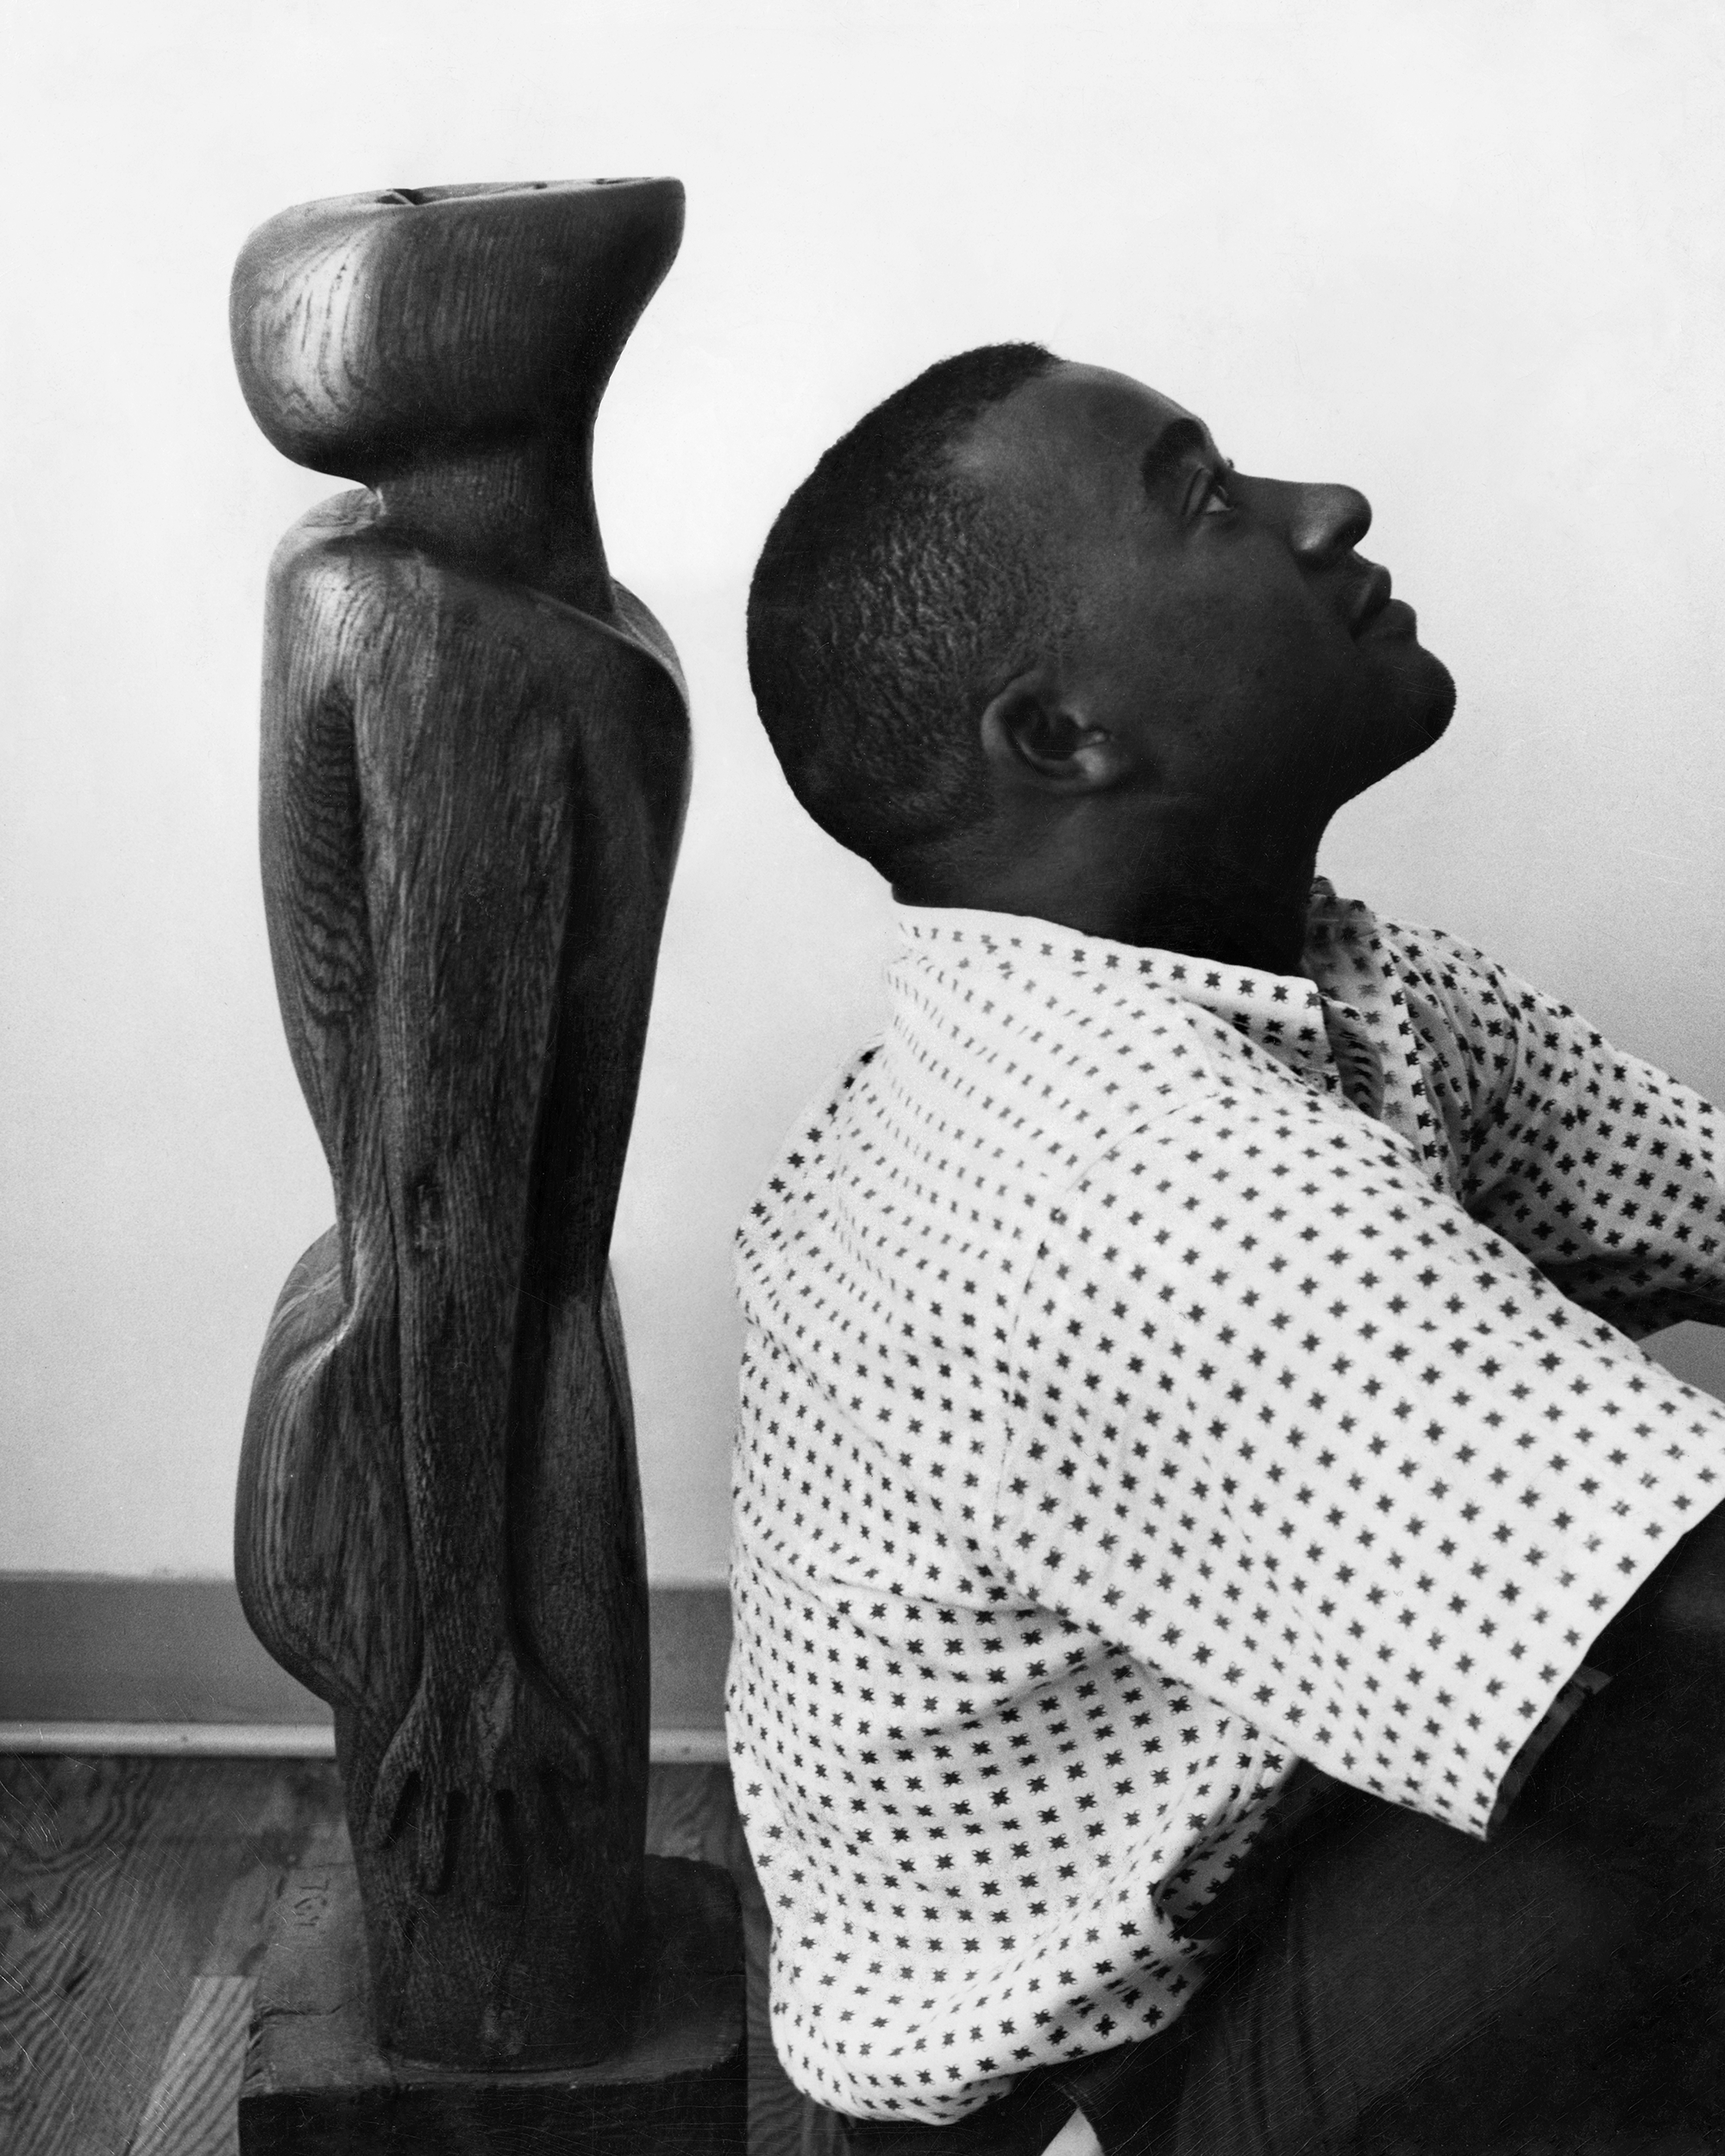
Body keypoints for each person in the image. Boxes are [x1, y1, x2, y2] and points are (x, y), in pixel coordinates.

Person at [729, 342, 1725, 2153]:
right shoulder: (1126, 1164)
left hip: (1275, 1862)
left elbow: (1701, 1186)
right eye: (1205, 499)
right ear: (1061, 735)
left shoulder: (1315, 973)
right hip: (1084, 2093)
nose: (1323, 508)